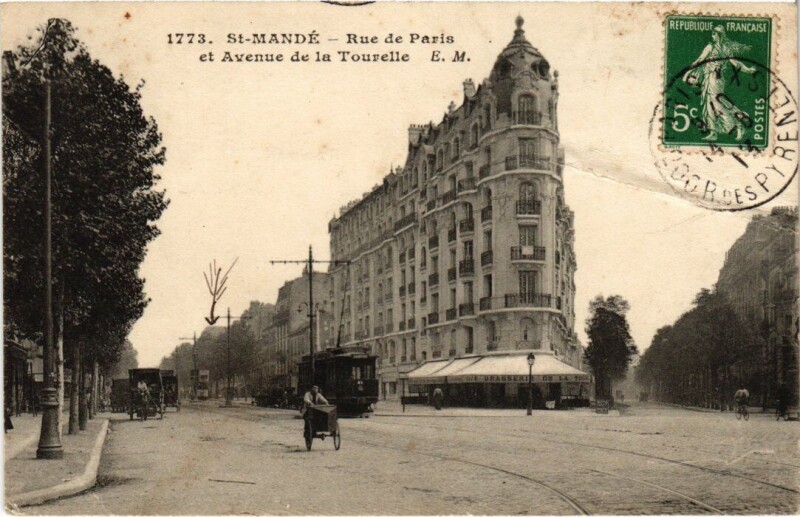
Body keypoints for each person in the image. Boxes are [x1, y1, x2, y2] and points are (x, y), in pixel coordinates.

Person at [682, 26, 757, 142]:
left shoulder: (718, 48)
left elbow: (734, 62)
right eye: (712, 34)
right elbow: (700, 60)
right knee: (711, 104)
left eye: (714, 34)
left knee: (716, 103)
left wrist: (747, 70)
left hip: (715, 79)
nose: (712, 36)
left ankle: (738, 122)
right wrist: (688, 72)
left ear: (719, 35)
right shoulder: (713, 47)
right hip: (711, 78)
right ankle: (715, 131)